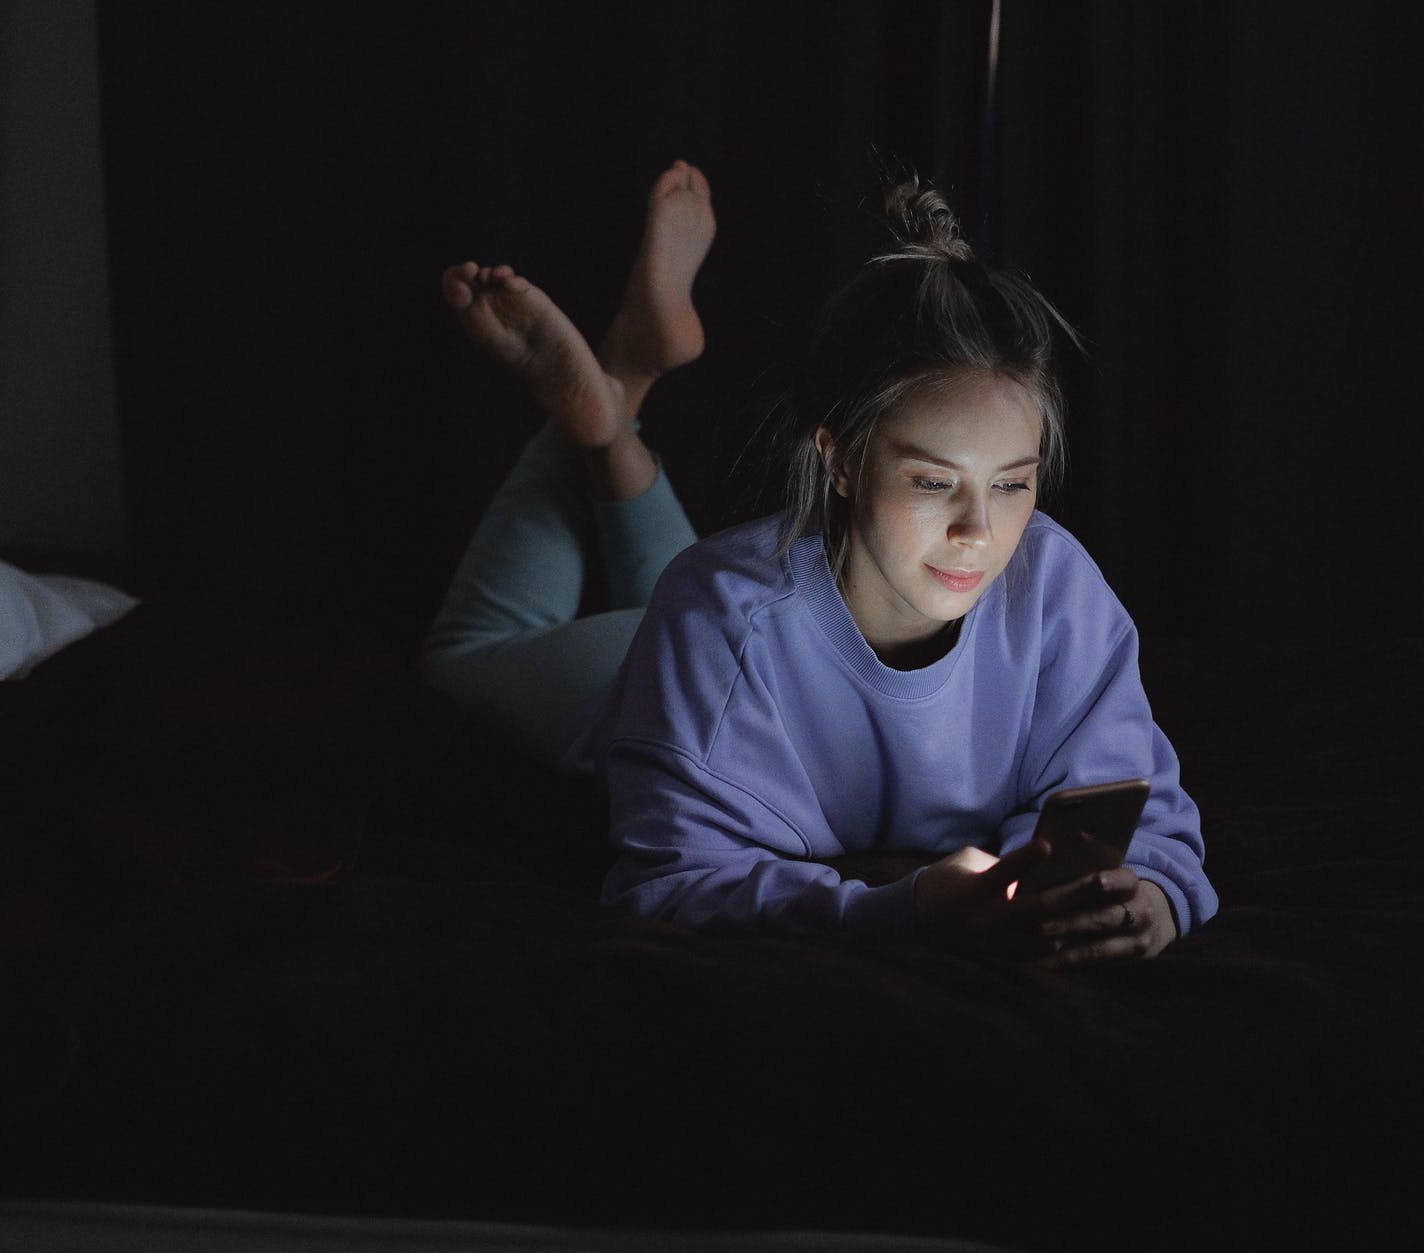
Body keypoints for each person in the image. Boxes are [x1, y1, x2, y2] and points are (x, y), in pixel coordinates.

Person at [421, 161, 1215, 964]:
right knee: (462, 659)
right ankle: (614, 390)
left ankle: (616, 405)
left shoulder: (1057, 590)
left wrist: (1152, 894)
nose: (979, 528)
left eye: (1012, 483)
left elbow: (1142, 812)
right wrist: (902, 908)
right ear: (839, 461)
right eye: (934, 481)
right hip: (650, 669)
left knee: (698, 587)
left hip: (729, 630)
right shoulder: (716, 624)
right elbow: (667, 880)